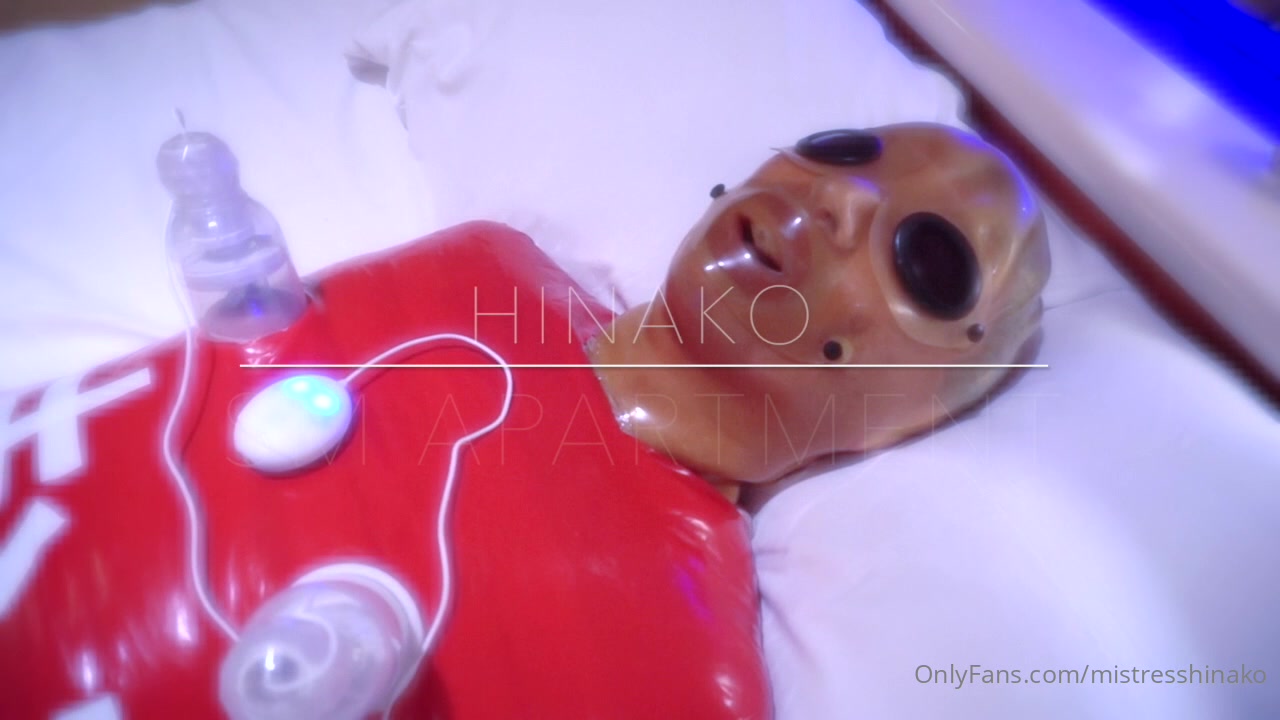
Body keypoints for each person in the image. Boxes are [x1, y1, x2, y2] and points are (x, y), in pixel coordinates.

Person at [0, 123, 1047, 719]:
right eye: (843, 148)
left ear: (911, 417)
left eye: (927, 260)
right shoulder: (482, 261)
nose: (843, 201)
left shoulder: (669, 680)